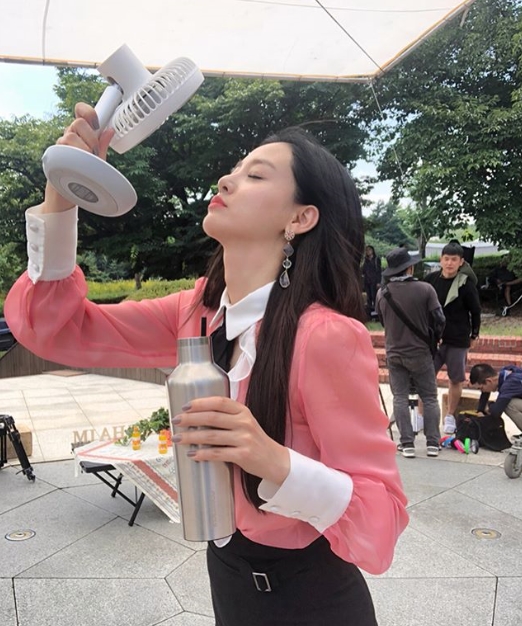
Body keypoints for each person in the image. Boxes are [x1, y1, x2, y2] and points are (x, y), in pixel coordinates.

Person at [4, 104, 408, 626]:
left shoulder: (326, 337)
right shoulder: (196, 313)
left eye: (255, 174)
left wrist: (272, 459)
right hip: (229, 581)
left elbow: (383, 520)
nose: (227, 178)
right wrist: (63, 185)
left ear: (300, 217)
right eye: (235, 169)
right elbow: (52, 328)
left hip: (312, 599)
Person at [376, 247, 445, 458]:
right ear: (410, 268)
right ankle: (433, 443)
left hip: (394, 352)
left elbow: (381, 320)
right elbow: (440, 319)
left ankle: (406, 444)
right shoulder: (426, 289)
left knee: (399, 397)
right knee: (430, 397)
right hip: (420, 352)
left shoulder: (382, 293)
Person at [424, 241, 481, 435]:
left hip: (457, 338)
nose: (449, 263)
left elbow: (476, 311)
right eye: (446, 259)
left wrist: (475, 334)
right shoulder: (430, 280)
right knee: (426, 377)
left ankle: (450, 416)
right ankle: (422, 416)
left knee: (455, 379)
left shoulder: (466, 284)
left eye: (453, 259)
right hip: (433, 339)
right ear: (440, 260)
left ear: (461, 262)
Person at [469, 363, 522, 438]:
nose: (482, 391)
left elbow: (496, 412)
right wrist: (480, 410)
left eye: (481, 388)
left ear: (489, 381)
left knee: (509, 405)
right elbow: (486, 392)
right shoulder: (506, 372)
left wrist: (490, 405)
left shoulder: (509, 384)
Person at [361, 244, 381, 317]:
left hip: (374, 281)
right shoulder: (365, 260)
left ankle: (377, 313)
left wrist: (378, 282)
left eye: (369, 250)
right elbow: (363, 271)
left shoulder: (376, 259)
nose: (368, 252)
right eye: (366, 250)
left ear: (372, 251)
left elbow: (379, 271)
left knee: (374, 296)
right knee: (369, 298)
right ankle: (369, 314)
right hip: (367, 281)